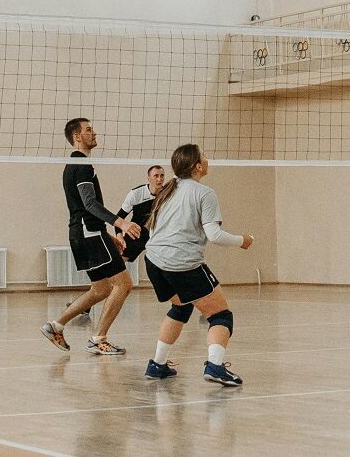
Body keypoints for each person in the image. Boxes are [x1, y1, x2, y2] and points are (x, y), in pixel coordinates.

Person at [140, 144, 259, 386]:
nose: (208, 158)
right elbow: (214, 235)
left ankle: (157, 365)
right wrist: (242, 241)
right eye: (204, 155)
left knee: (181, 307)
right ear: (197, 166)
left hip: (153, 261)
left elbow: (153, 229)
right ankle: (215, 367)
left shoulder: (167, 190)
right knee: (221, 315)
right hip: (181, 263)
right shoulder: (204, 193)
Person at [39, 118, 143, 357]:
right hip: (89, 233)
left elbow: (82, 208)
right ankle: (99, 339)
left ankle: (55, 326)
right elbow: (89, 203)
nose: (94, 133)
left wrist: (108, 235)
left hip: (84, 232)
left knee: (101, 288)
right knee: (124, 284)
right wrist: (120, 223)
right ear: (77, 136)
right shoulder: (82, 165)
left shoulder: (73, 165)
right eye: (88, 130)